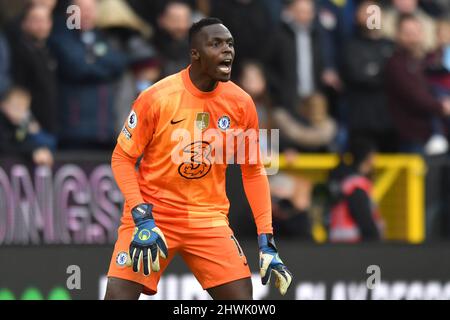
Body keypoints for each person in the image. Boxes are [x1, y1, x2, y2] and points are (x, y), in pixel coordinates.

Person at [104, 18, 292, 300]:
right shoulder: (157, 98)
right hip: (154, 215)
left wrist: (267, 240)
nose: (227, 50)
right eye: (216, 44)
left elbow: (253, 170)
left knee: (242, 302)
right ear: (195, 54)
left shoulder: (241, 103)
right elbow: (121, 158)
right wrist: (141, 216)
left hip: (208, 219)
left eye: (229, 44)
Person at [49, 0, 127, 149]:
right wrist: (100, 66)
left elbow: (118, 63)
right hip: (73, 130)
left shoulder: (104, 36)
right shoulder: (61, 37)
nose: (87, 14)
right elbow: (76, 66)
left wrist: (91, 62)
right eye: (81, 9)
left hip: (105, 129)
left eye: (91, 9)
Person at [385, 14, 450, 154]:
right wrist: (441, 106)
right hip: (412, 138)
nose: (413, 38)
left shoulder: (426, 60)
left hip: (437, 133)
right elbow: (413, 95)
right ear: (398, 35)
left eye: (416, 32)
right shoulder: (396, 64)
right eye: (407, 33)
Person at [341, 0, 396, 152]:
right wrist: (381, 73)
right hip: (361, 120)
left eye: (374, 12)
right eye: (366, 12)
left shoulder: (391, 46)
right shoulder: (350, 46)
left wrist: (374, 72)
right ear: (356, 16)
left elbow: (397, 77)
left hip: (389, 120)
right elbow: (356, 74)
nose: (371, 17)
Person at [9, 3, 58, 135]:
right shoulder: (19, 52)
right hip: (31, 128)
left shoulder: (47, 51)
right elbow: (17, 90)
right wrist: (28, 122)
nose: (40, 25)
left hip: (49, 125)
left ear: (50, 24)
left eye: (44, 21)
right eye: (36, 20)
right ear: (24, 24)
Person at [327, 138, 383, 242]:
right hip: (355, 247)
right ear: (369, 158)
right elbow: (367, 226)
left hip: (337, 245)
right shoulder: (357, 188)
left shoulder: (341, 183)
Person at [0, 87, 55, 166]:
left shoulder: (23, 124)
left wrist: (36, 133)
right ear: (3, 105)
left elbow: (50, 144)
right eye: (16, 106)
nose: (20, 111)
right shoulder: (2, 122)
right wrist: (33, 150)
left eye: (24, 107)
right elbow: (6, 147)